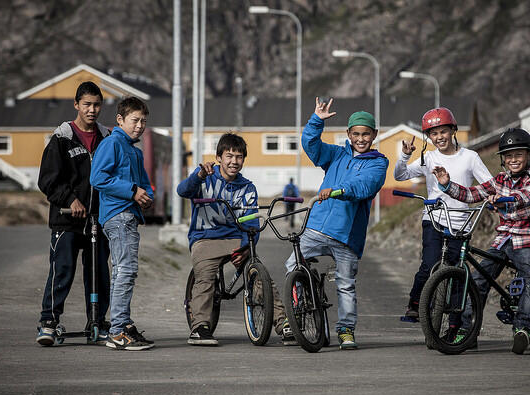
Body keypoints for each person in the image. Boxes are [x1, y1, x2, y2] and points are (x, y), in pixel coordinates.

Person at [433, 128, 530, 355]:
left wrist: (502, 200)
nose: (513, 160)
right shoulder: (498, 180)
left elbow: (523, 197)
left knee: (528, 279)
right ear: (503, 160)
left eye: (518, 155)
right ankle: (468, 331)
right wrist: (447, 185)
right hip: (505, 236)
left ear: (528, 155)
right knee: (477, 280)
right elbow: (471, 194)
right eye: (508, 156)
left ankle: (523, 329)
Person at [285, 98, 388, 350]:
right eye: (356, 134)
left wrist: (340, 190)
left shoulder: (378, 162)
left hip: (347, 235)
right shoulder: (336, 155)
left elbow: (366, 186)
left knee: (345, 284)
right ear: (348, 134)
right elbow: (311, 145)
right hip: (317, 227)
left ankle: (345, 330)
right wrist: (316, 121)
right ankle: (297, 311)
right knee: (292, 265)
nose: (361, 138)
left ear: (374, 135)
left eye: (366, 134)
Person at [177, 133, 295, 346]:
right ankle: (200, 327)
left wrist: (246, 248)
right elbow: (182, 190)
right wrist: (199, 176)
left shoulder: (247, 187)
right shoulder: (204, 176)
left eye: (239, 157)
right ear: (219, 157)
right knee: (205, 278)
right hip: (205, 238)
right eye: (229, 156)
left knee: (260, 275)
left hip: (235, 238)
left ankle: (283, 323)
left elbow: (252, 223)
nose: (234, 161)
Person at [394, 107, 492, 322]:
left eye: (443, 131)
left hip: (461, 223)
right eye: (433, 133)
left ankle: (456, 324)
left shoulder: (470, 157)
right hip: (434, 219)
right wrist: (405, 155)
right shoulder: (428, 158)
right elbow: (399, 175)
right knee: (430, 264)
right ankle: (416, 303)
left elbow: (489, 184)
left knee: (457, 271)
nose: (439, 137)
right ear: (428, 137)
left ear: (453, 130)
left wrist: (490, 197)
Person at [36, 81, 112, 346]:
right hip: (67, 220)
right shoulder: (62, 139)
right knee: (62, 270)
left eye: (97, 104)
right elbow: (47, 180)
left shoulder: (107, 138)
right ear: (77, 105)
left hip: (98, 221)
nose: (92, 110)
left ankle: (98, 322)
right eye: (87, 104)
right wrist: (71, 199)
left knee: (99, 273)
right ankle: (49, 321)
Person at [90, 96, 155, 351]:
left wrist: (146, 195)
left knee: (123, 271)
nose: (139, 125)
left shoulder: (134, 151)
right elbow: (98, 178)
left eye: (143, 121)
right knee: (125, 271)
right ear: (120, 119)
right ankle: (117, 331)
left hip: (129, 216)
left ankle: (123, 324)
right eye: (135, 120)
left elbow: (144, 182)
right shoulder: (112, 143)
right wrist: (132, 191)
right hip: (117, 216)